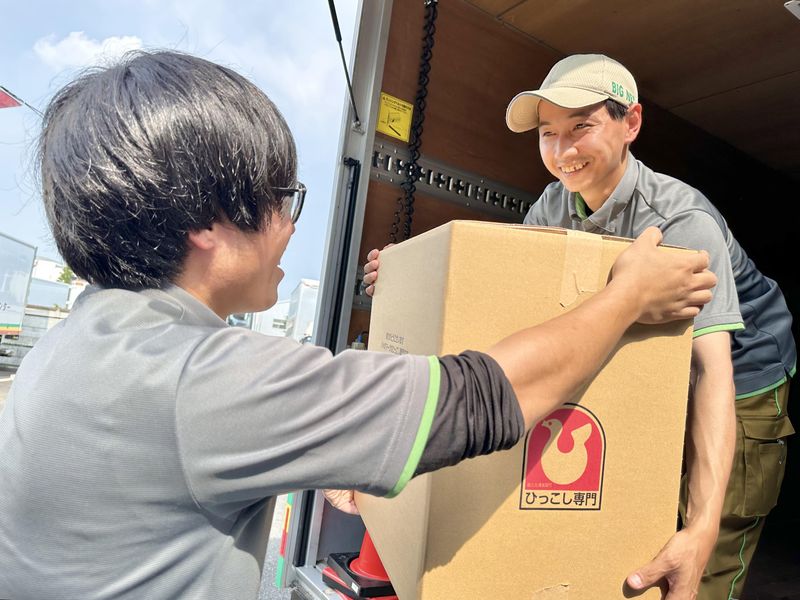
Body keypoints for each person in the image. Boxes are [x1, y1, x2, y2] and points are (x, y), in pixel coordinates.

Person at [0, 51, 715, 600]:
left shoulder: (72, 344)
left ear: (631, 124)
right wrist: (627, 297)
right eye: (282, 198)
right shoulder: (204, 377)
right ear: (206, 222)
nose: (290, 225)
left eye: (579, 127)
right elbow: (479, 399)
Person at [365, 53, 795, 600]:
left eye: (581, 127)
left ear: (631, 123)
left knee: (702, 550)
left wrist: (702, 530)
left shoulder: (682, 222)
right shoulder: (554, 203)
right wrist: (409, 276)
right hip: (658, 363)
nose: (562, 151)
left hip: (743, 374)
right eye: (548, 133)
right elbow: (508, 298)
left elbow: (713, 373)